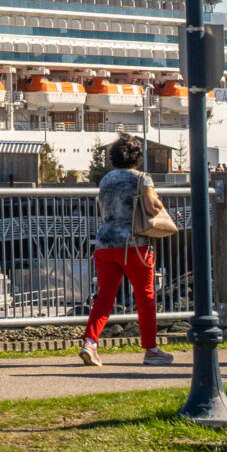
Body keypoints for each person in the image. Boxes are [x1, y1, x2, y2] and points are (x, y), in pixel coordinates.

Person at [80, 136, 174, 368]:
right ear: (137, 158)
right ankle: (151, 350)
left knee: (104, 296)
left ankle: (90, 342)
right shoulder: (142, 178)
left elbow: (103, 208)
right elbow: (152, 206)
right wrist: (160, 202)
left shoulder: (106, 180)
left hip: (104, 243)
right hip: (134, 245)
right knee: (145, 297)